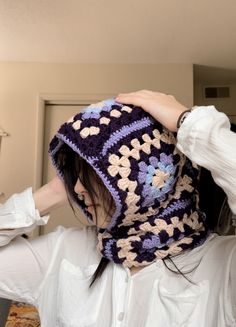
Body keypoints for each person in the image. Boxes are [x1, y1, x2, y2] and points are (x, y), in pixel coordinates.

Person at [0, 90, 235, 327]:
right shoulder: (64, 251)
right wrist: (53, 192)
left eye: (92, 172)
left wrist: (190, 123)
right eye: (75, 175)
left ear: (144, 181)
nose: (78, 187)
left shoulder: (223, 265)